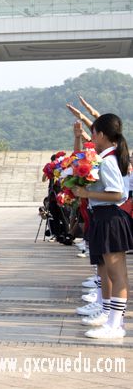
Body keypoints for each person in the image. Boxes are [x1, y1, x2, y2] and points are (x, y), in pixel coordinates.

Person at [72, 114, 132, 339]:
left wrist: (87, 193)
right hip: (104, 217)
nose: (93, 137)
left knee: (117, 276)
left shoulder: (107, 160)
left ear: (103, 135)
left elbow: (118, 194)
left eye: (95, 133)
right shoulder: (106, 157)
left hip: (110, 218)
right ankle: (113, 321)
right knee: (115, 274)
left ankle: (115, 325)